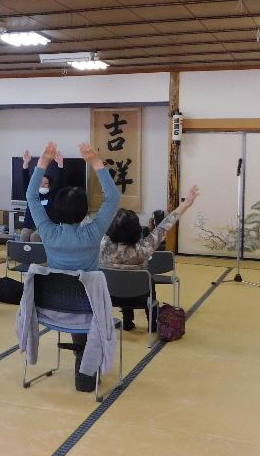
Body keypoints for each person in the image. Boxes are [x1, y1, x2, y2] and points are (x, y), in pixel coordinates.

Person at [27, 141, 121, 392]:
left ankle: (81, 352)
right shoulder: (92, 233)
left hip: (52, 307)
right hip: (88, 310)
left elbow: (31, 196)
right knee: (85, 302)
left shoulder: (47, 232)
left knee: (74, 299)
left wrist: (42, 164)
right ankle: (84, 357)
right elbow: (113, 198)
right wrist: (96, 163)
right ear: (84, 211)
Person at [100, 187, 199, 330]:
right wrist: (185, 204)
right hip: (140, 297)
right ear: (137, 230)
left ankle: (127, 321)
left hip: (111, 296)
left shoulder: (103, 244)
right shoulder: (143, 248)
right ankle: (152, 324)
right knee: (147, 280)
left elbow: (99, 221)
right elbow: (163, 227)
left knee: (120, 278)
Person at [18, 149, 63, 241]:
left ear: (50, 186)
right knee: (24, 234)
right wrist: (25, 163)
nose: (42, 185)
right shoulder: (32, 195)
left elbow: (59, 182)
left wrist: (60, 165)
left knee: (35, 236)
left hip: (46, 226)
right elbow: (25, 182)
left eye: (45, 183)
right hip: (30, 225)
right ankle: (25, 251)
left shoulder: (52, 196)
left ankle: (38, 251)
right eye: (40, 183)